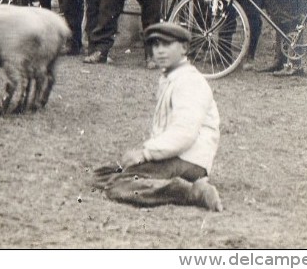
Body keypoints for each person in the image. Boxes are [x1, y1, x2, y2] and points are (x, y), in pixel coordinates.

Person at [93, 22, 223, 212]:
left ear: (184, 48)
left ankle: (192, 191)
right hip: (173, 153)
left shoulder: (190, 81)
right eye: (155, 45)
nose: (160, 51)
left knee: (117, 186)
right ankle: (164, 182)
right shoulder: (171, 77)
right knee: (101, 175)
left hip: (187, 158)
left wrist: (146, 153)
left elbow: (184, 134)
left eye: (167, 44)